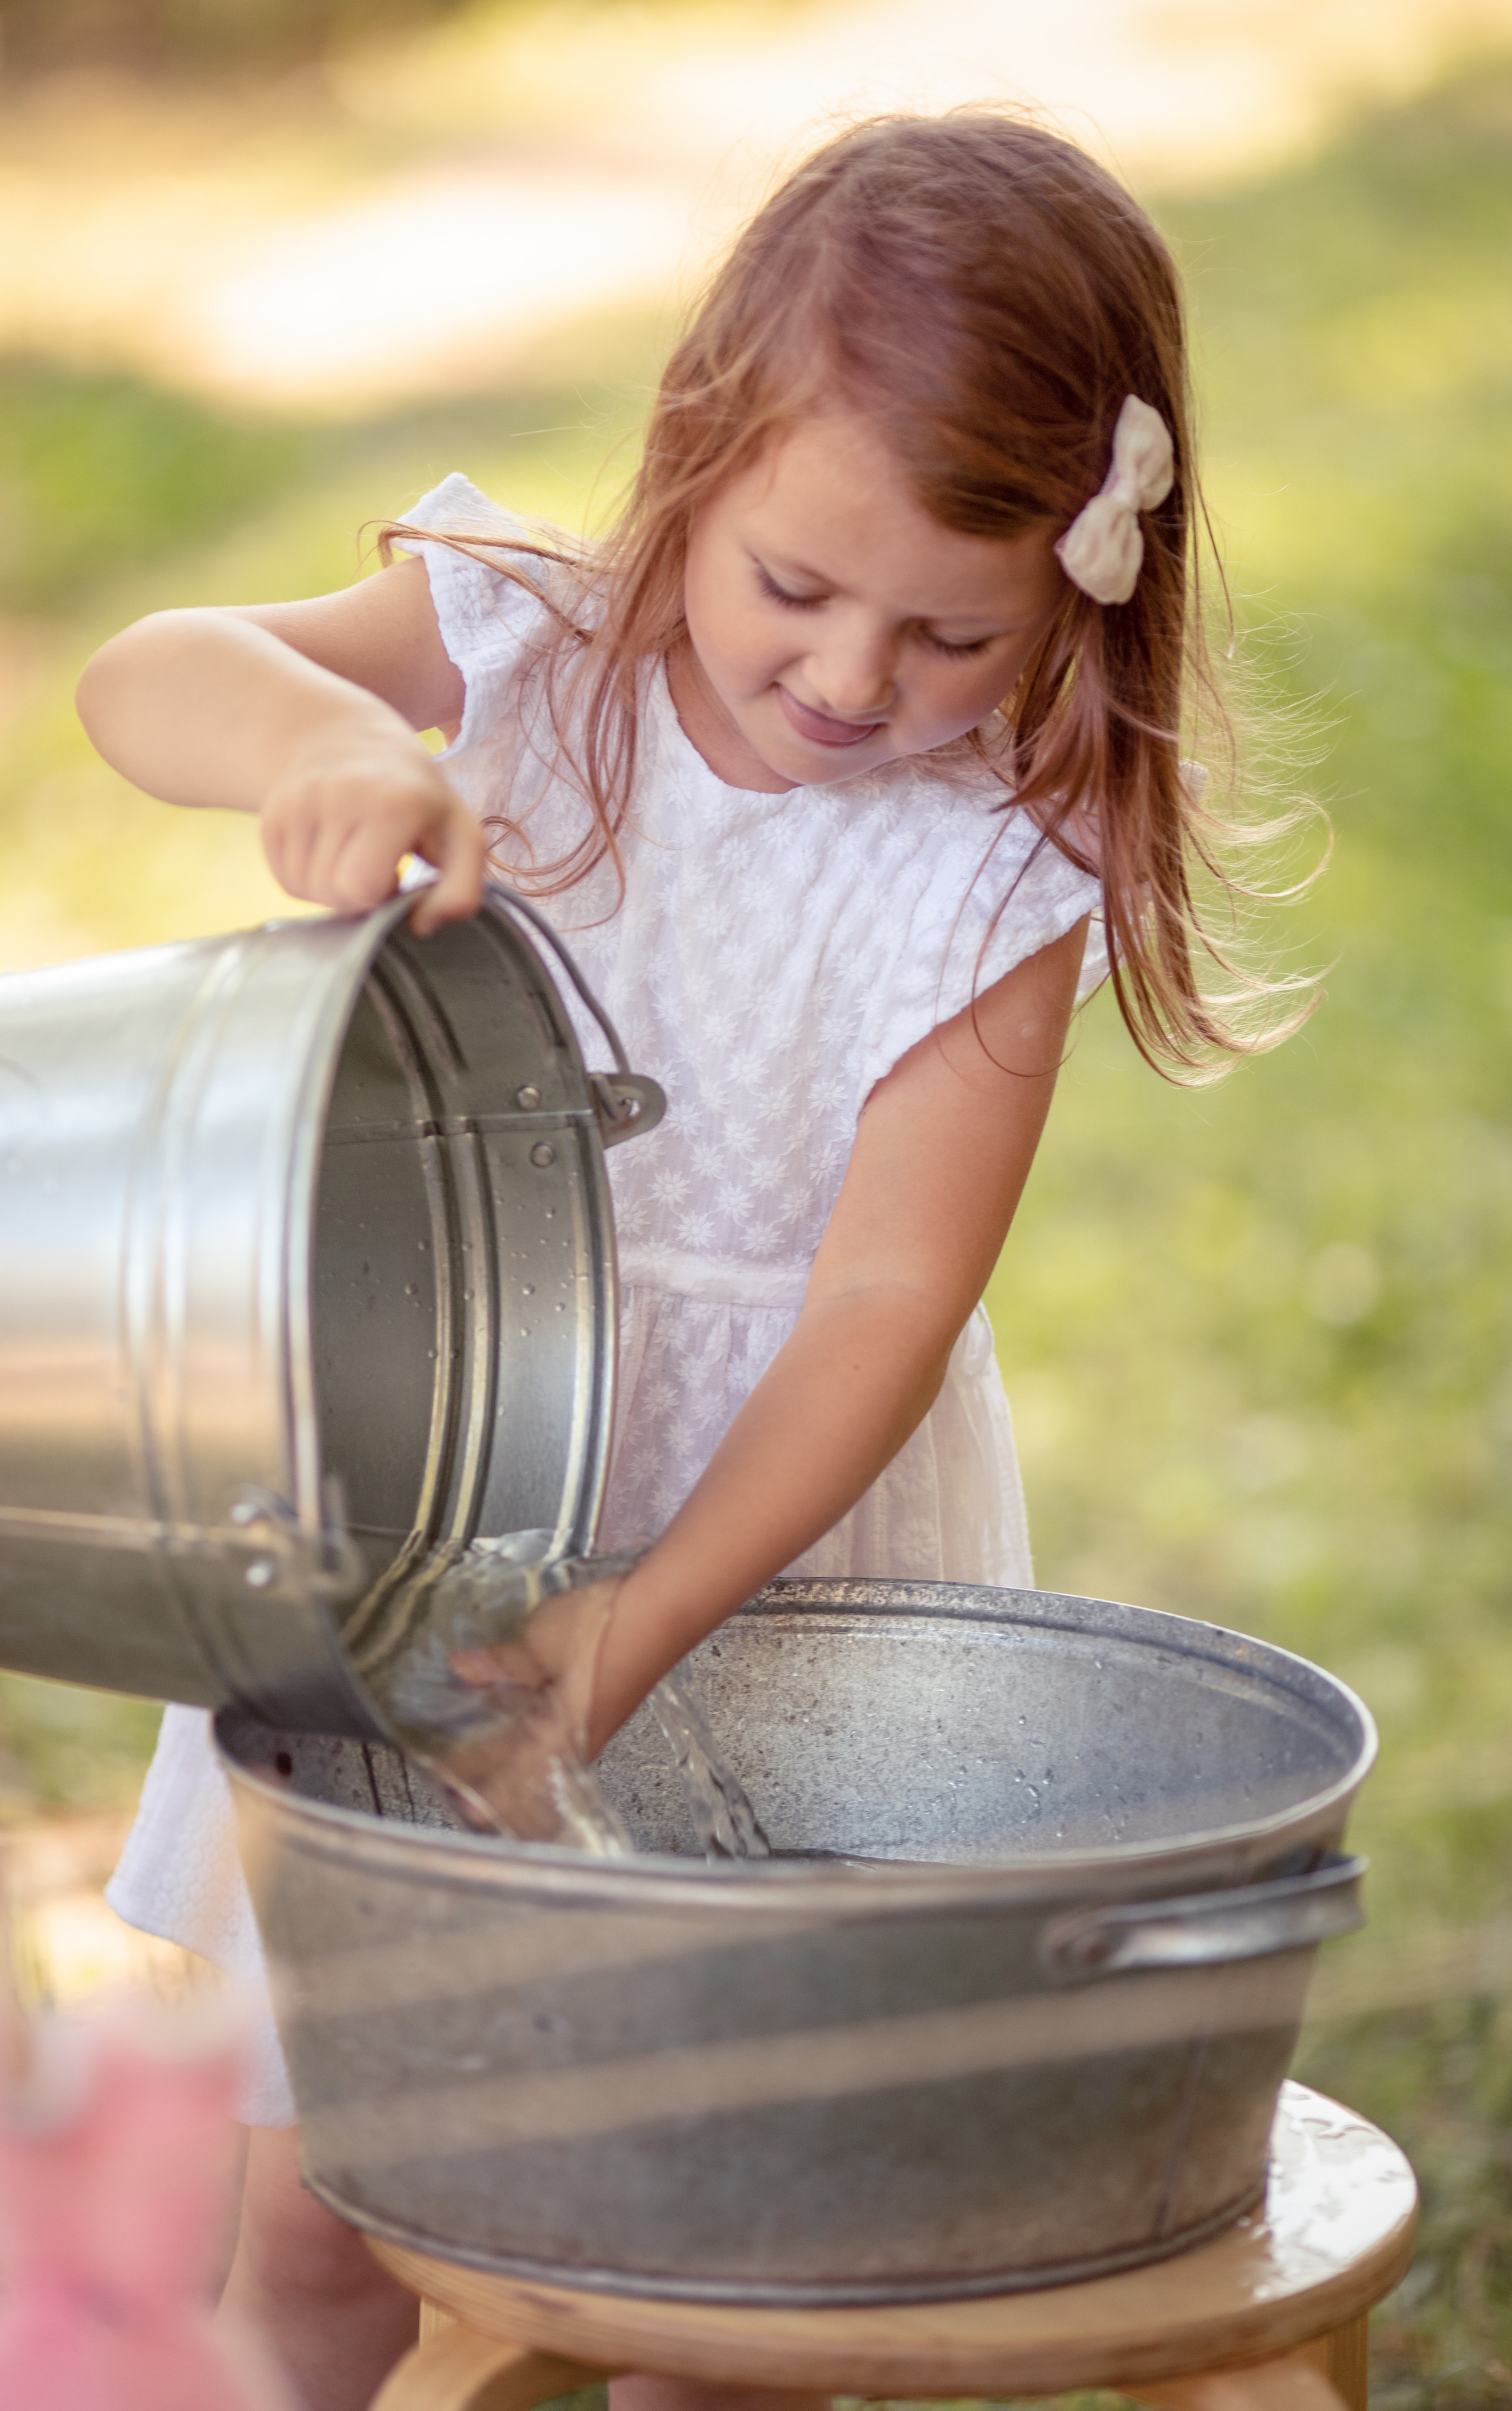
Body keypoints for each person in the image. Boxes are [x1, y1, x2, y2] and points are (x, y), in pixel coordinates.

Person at [77, 109, 1305, 2411]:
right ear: (696, 463)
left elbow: (880, 1310)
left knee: (731, 2259)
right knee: (324, 2207)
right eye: (790, 589)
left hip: (764, 1551)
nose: (850, 676)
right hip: (433, 1469)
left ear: (1078, 595)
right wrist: (326, 744)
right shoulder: (526, 652)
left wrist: (640, 1625)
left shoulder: (984, 885)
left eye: (956, 632)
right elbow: (145, 669)